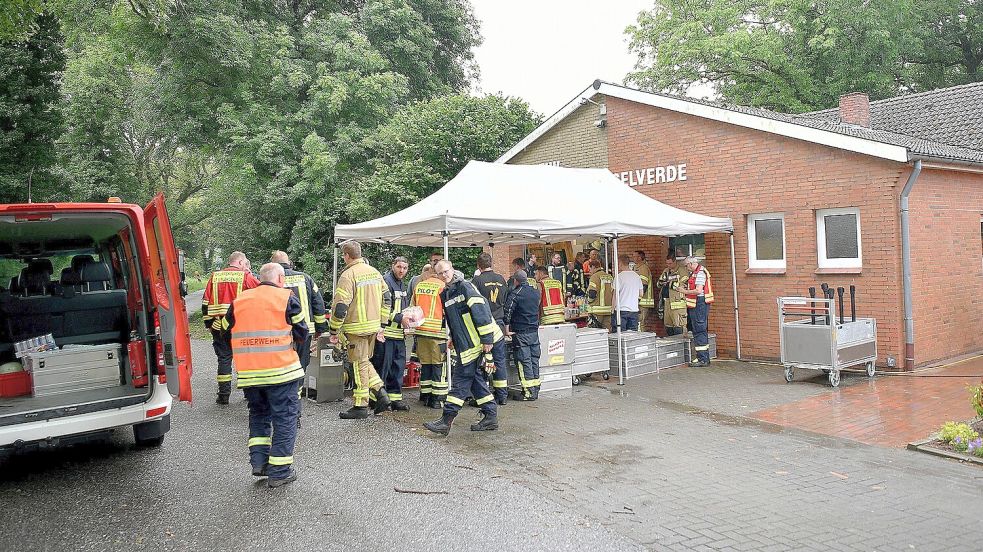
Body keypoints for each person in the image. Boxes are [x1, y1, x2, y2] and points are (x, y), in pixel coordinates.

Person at [223, 263, 307, 488]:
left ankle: (259, 463)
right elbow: (302, 332)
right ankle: (279, 471)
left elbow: (224, 329)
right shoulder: (286, 298)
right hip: (281, 372)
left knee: (259, 416)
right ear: (280, 278)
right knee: (285, 419)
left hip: (250, 374)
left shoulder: (239, 300)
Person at [423, 261, 501, 435]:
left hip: (476, 342)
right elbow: (453, 320)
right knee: (475, 382)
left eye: (446, 271)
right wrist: (453, 337)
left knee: (460, 381)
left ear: (452, 269)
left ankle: (446, 420)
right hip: (466, 343)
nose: (444, 275)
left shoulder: (465, 287)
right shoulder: (446, 293)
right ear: (437, 275)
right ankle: (491, 416)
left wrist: (487, 339)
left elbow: (482, 312)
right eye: (440, 273)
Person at [328, 241, 391, 419]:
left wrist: (333, 330)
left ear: (346, 256)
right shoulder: (375, 272)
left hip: (355, 329)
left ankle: (361, 405)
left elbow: (340, 307)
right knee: (363, 361)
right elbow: (387, 299)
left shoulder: (348, 275)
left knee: (358, 364)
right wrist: (383, 324)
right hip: (373, 327)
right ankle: (380, 393)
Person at [202, 251, 260, 404]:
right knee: (245, 359)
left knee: (224, 358)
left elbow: (205, 302)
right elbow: (263, 292)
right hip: (241, 326)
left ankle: (224, 395)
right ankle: (248, 394)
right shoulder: (245, 277)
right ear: (241, 262)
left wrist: (208, 323)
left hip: (218, 325)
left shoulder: (214, 276)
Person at [270, 250, 327, 377]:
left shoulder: (270, 279)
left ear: (273, 265)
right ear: (289, 263)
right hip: (304, 329)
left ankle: (283, 391)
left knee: (280, 364)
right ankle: (297, 393)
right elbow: (318, 304)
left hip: (278, 331)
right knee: (301, 363)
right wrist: (320, 328)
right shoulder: (305, 278)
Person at [373, 257, 411, 411]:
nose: (401, 270)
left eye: (405, 268)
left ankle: (395, 399)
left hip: (398, 334)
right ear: (393, 266)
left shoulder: (401, 284)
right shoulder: (386, 281)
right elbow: (381, 306)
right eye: (399, 267)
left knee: (398, 368)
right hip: (386, 334)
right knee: (382, 368)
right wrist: (399, 318)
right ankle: (377, 400)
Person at [471, 252, 509, 404]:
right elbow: (505, 299)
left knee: (482, 360)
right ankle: (502, 395)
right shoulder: (501, 279)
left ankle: (484, 397)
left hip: (484, 324)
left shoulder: (477, 281)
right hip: (499, 322)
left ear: (478, 266)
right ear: (491, 263)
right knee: (499, 360)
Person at [412, 265, 448, 408]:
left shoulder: (419, 286)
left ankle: (425, 395)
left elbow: (413, 307)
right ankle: (437, 399)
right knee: (439, 365)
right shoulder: (442, 286)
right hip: (437, 333)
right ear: (437, 273)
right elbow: (447, 309)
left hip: (421, 332)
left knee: (426, 364)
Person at [503, 270, 541, 401]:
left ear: (516, 281)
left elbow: (507, 312)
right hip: (534, 331)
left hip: (521, 332)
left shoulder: (516, 294)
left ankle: (528, 392)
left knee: (524, 362)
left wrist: (506, 330)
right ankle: (535, 389)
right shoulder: (535, 292)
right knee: (534, 360)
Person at [681, 256, 714, 366]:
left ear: (691, 264)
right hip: (696, 305)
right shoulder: (696, 272)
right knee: (697, 330)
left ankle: (703, 359)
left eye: (686, 266)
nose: (686, 268)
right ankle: (702, 357)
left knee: (699, 330)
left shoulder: (700, 273)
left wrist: (684, 290)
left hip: (699, 304)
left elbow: (698, 290)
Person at [657, 252, 689, 336]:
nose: (668, 265)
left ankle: (681, 347)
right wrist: (662, 282)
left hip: (678, 303)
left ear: (675, 262)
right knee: (668, 326)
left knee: (678, 327)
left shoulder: (682, 271)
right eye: (667, 263)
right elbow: (659, 284)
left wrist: (668, 282)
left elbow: (682, 285)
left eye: (670, 263)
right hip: (666, 302)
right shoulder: (666, 271)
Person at [615, 254, 643, 332]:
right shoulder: (637, 276)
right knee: (633, 336)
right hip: (634, 310)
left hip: (621, 310)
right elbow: (641, 294)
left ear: (620, 263)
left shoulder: (619, 277)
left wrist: (612, 309)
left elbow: (614, 295)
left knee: (621, 335)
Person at [586, 259, 614, 331]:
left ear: (593, 267)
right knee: (607, 331)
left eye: (590, 269)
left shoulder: (594, 277)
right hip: (608, 309)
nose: (589, 271)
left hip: (597, 310)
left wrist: (588, 301)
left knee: (595, 332)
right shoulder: (609, 276)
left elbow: (592, 293)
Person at [633, 250, 654, 330]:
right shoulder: (636, 267)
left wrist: (638, 299)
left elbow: (643, 285)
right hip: (639, 301)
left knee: (641, 323)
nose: (633, 258)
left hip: (643, 301)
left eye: (635, 256)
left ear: (640, 257)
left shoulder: (643, 268)